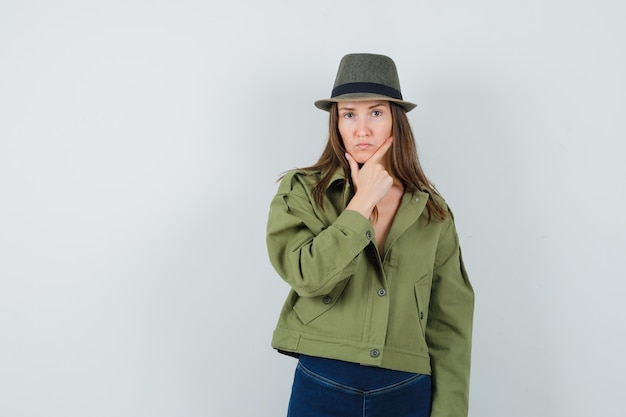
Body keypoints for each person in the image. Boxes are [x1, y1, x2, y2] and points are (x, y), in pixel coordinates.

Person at [266, 53, 474, 417]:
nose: (362, 129)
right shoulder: (301, 191)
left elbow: (450, 324)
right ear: (337, 123)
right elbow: (308, 278)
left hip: (406, 390)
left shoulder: (432, 212)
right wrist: (362, 203)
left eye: (375, 113)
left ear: (396, 119)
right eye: (349, 114)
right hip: (323, 381)